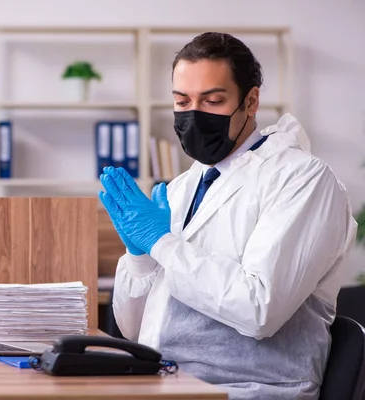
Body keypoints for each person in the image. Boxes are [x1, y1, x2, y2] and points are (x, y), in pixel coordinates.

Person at [98, 32, 357, 400]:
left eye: (213, 100)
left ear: (250, 101)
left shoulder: (304, 180)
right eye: (182, 100)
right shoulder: (181, 188)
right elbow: (136, 330)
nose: (194, 114)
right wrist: (139, 258)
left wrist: (162, 243)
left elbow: (259, 310)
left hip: (251, 391)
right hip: (167, 385)